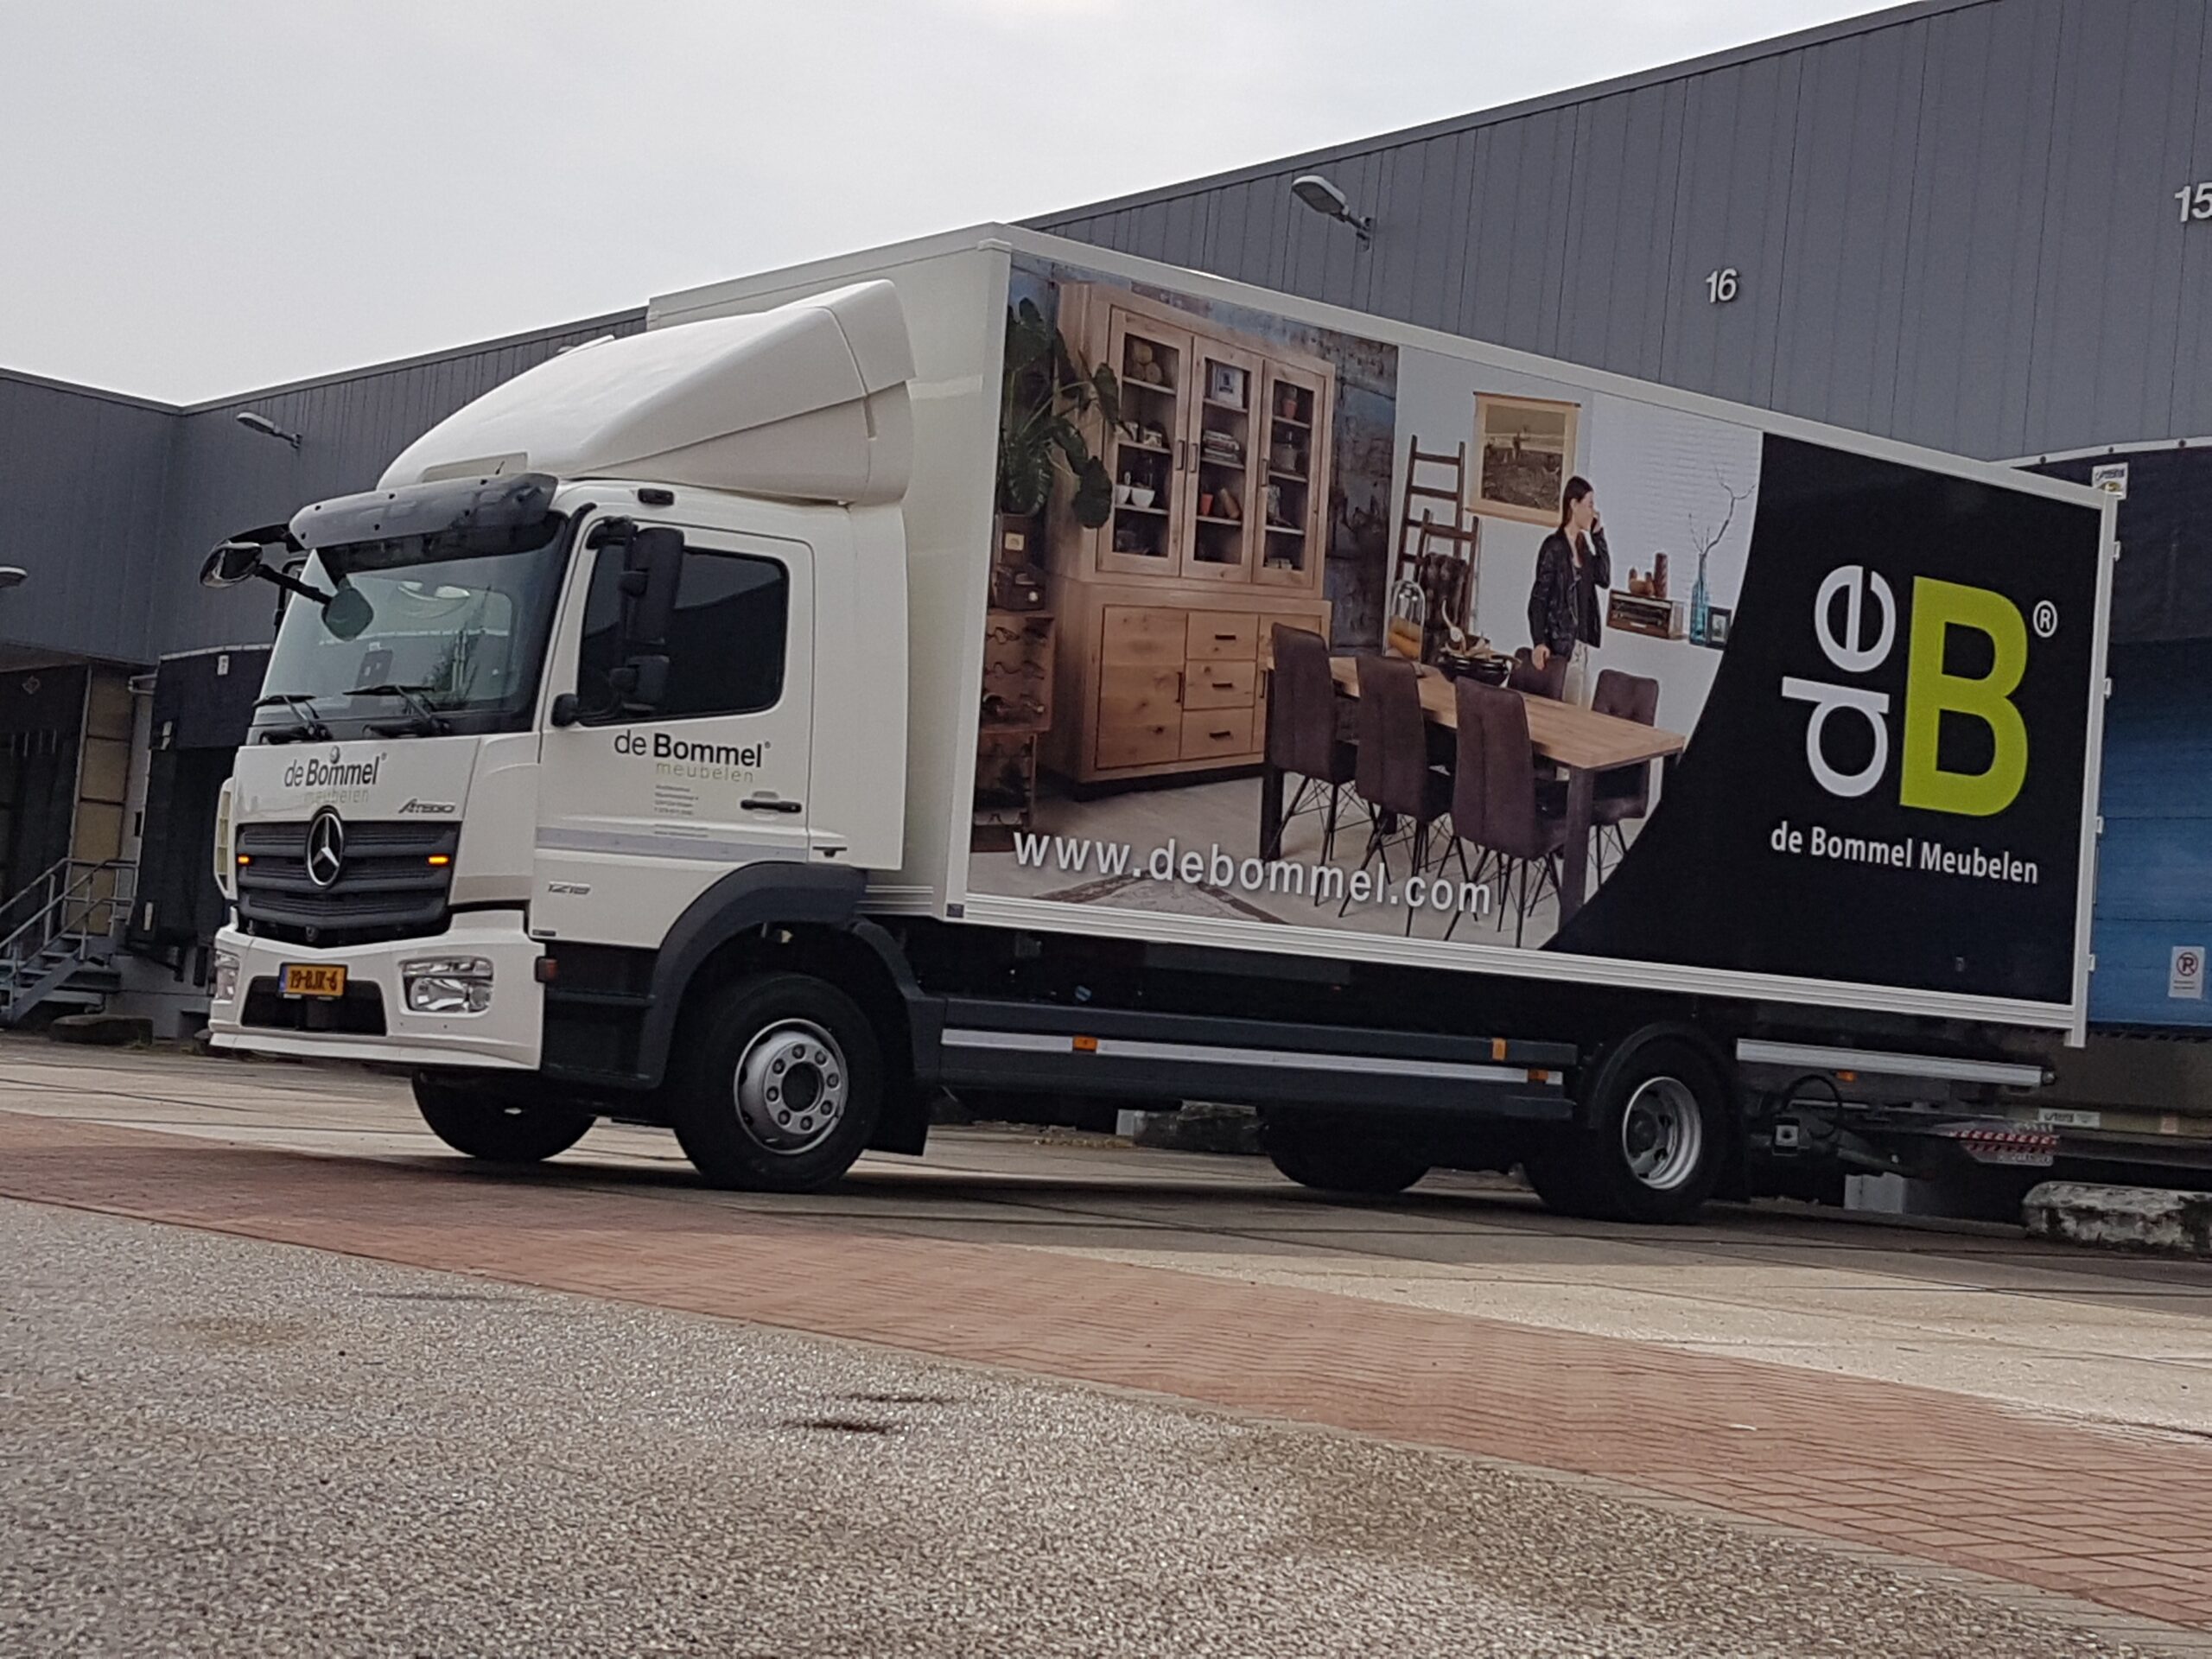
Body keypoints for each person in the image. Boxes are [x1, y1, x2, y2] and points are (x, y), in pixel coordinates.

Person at [1525, 475, 1611, 707]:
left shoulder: (1583, 547)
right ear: (1574, 504)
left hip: (1582, 647)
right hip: (1561, 647)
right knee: (1564, 714)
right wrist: (1539, 641)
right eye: (1590, 504)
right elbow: (1538, 599)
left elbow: (1604, 578)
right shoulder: (1553, 547)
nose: (1594, 512)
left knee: (1582, 714)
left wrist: (1599, 537)